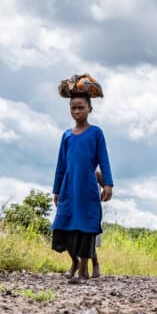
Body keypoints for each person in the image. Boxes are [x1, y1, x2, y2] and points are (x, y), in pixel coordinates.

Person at [52, 94, 113, 282]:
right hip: (68, 189)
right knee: (63, 226)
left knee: (86, 228)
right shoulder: (67, 135)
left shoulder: (96, 133)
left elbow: (104, 160)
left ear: (90, 109)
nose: (77, 111)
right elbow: (61, 165)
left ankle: (83, 270)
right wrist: (56, 189)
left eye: (81, 107)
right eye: (73, 108)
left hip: (87, 189)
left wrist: (108, 184)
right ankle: (75, 262)